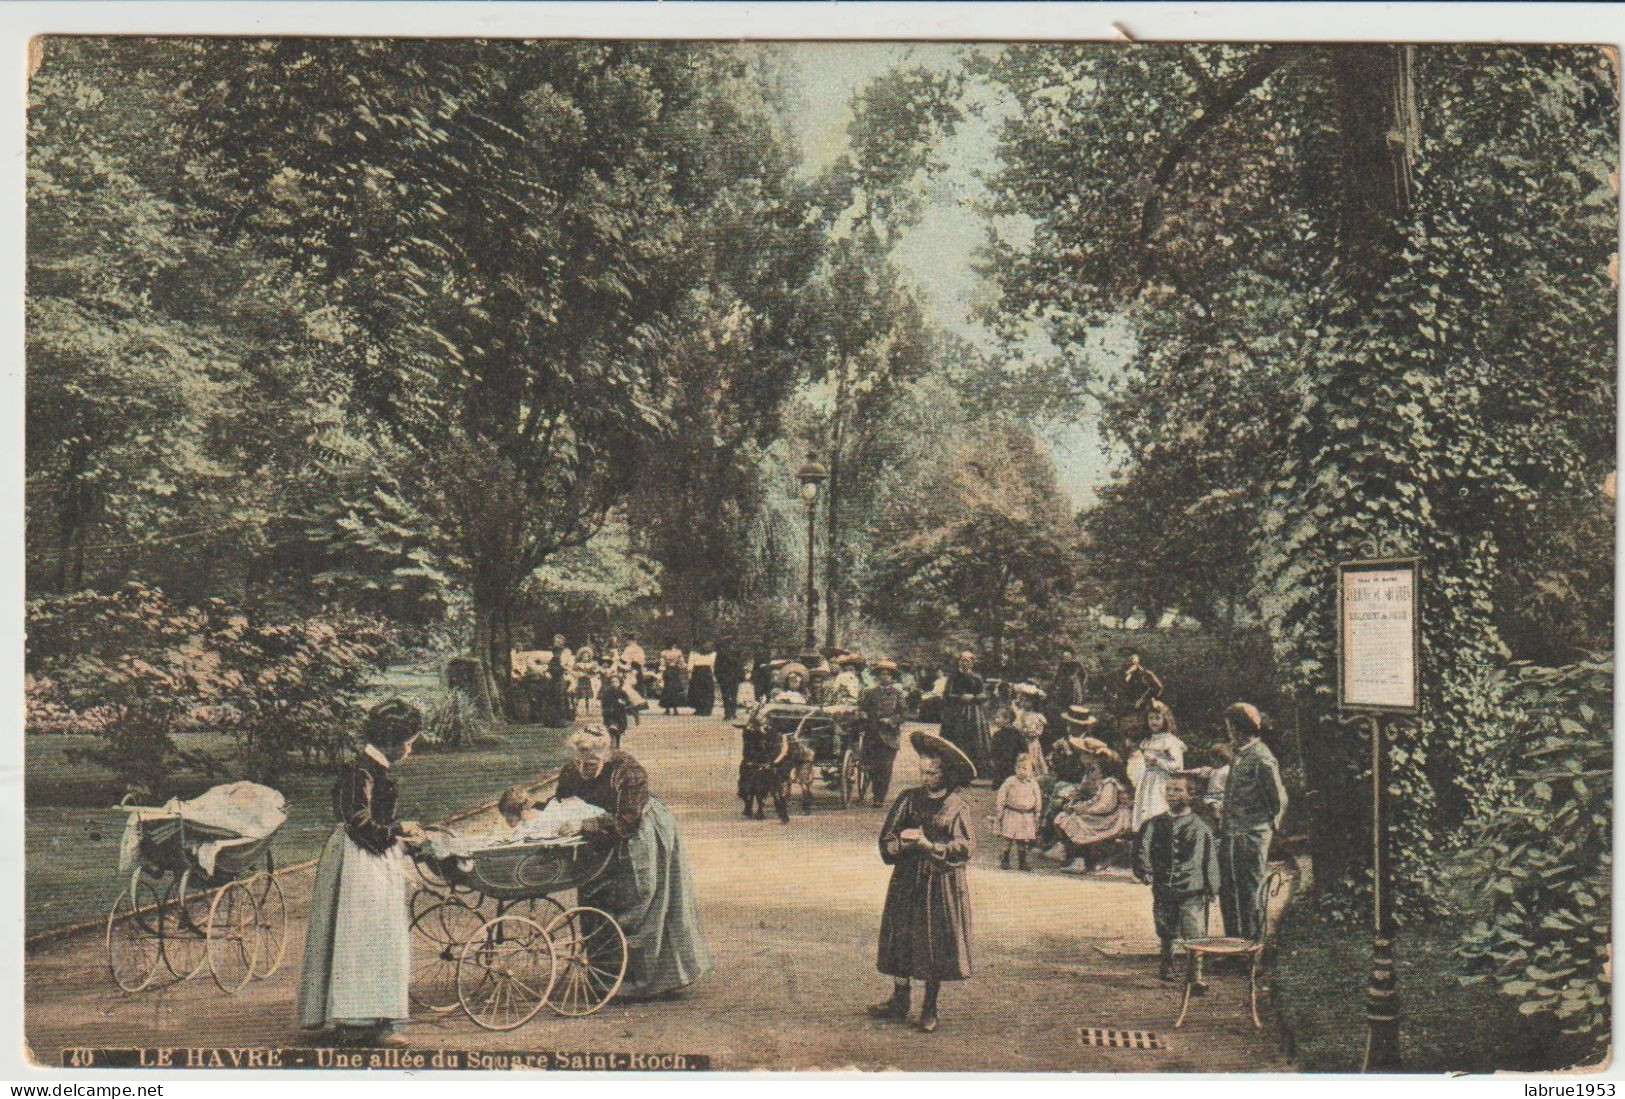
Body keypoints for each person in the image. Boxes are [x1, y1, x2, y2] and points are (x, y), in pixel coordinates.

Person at [298, 700, 427, 1046]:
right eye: (410, 741)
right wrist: (398, 831)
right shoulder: (361, 771)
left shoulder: (371, 766)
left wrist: (397, 834)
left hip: (370, 854)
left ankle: (372, 1016)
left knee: (377, 933)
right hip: (359, 858)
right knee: (362, 934)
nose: (411, 748)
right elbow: (359, 822)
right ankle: (355, 1020)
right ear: (395, 741)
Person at [552, 729, 713, 998]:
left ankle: (650, 982)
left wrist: (585, 824)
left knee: (640, 900)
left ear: (607, 753)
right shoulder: (570, 772)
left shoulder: (628, 771)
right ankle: (607, 976)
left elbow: (627, 819)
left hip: (639, 835)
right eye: (581, 757)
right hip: (598, 838)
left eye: (593, 758)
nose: (586, 764)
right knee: (595, 898)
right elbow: (560, 803)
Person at [869, 731, 975, 1033]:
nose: (926, 778)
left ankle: (930, 1007)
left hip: (939, 884)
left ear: (946, 774)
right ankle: (899, 1000)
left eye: (933, 773)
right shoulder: (908, 799)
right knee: (899, 937)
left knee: (933, 943)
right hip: (906, 881)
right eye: (923, 772)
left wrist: (931, 847)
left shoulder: (957, 807)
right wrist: (902, 844)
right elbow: (887, 839)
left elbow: (965, 847)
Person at [1135, 777, 1220, 986]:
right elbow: (1142, 847)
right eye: (1169, 789)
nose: (1171, 794)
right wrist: (1145, 870)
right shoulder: (1153, 823)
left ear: (1190, 795)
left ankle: (1195, 977)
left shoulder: (1201, 826)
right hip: (1164, 886)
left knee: (1195, 931)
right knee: (1166, 928)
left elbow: (1209, 858)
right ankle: (1167, 965)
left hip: (1193, 888)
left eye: (1178, 790)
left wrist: (1212, 886)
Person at [1218, 702, 1287, 940]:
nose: (1228, 733)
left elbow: (1279, 799)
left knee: (1250, 891)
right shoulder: (1241, 754)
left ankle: (1252, 950)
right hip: (1231, 832)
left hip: (1251, 835)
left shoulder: (1261, 757)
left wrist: (1267, 830)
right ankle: (1233, 946)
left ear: (1240, 729)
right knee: (1228, 890)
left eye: (1230, 728)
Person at [1054, 743, 1134, 873]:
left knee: (1077, 821)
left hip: (1116, 818)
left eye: (1096, 769)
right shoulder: (1103, 783)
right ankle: (1078, 858)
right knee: (1071, 818)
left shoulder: (1110, 784)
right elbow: (1095, 801)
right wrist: (1078, 807)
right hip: (1108, 815)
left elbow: (1105, 806)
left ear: (1105, 768)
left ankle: (1081, 860)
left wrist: (1084, 810)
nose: (1093, 772)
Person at [857, 659, 908, 807]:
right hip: (872, 735)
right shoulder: (871, 693)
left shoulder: (897, 694)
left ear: (892, 677)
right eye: (882, 674)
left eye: (888, 674)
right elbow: (863, 709)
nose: (885, 676)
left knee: (885, 768)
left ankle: (879, 797)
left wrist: (891, 720)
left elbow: (904, 714)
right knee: (872, 767)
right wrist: (863, 715)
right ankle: (874, 792)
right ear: (878, 676)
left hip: (889, 737)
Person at [1130, 700, 1186, 832]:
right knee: (1145, 812)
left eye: (1157, 718)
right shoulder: (1147, 741)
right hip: (1147, 781)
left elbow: (1177, 766)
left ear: (1165, 719)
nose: (1153, 722)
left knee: (1158, 810)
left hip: (1162, 781)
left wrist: (1158, 762)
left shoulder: (1170, 741)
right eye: (1150, 718)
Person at [939, 651, 991, 782]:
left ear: (972, 663)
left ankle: (975, 770)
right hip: (956, 712)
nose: (965, 663)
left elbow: (984, 695)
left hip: (974, 713)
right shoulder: (953, 677)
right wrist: (960, 697)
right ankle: (954, 771)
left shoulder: (977, 677)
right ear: (959, 662)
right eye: (962, 660)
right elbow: (946, 695)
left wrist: (973, 697)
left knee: (975, 740)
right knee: (955, 739)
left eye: (968, 661)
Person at [994, 754, 1043, 871]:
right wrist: (999, 810)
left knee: (1022, 839)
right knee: (1008, 838)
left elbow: (1038, 798)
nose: (1021, 771)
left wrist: (1037, 811)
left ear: (1032, 770)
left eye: (1025, 768)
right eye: (1019, 768)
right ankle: (1005, 859)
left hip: (1026, 815)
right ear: (1015, 768)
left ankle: (1022, 862)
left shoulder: (1033, 783)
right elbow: (1001, 795)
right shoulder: (1010, 781)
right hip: (1011, 813)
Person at [1046, 648, 1088, 742]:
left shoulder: (1076, 664)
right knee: (1065, 703)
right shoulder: (1062, 665)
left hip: (1074, 685)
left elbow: (1084, 675)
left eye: (1068, 656)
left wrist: (1080, 683)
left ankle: (1075, 722)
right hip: (1065, 686)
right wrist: (1054, 685)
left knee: (1075, 702)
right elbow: (1057, 676)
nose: (1066, 658)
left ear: (1071, 656)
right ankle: (1066, 722)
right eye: (1064, 657)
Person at [1113, 647, 1164, 722]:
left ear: (1137, 659)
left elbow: (1158, 688)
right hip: (1125, 711)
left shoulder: (1146, 674)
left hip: (1144, 709)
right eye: (1125, 657)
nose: (1128, 660)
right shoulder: (1119, 675)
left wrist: (1143, 700)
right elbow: (1116, 690)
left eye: (1131, 657)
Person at [1011, 684, 1048, 779]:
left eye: (1027, 701)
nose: (1024, 703)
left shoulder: (1036, 716)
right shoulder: (1020, 713)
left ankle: (1032, 775)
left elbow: (1035, 732)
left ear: (1034, 702)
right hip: (1021, 742)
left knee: (1032, 758)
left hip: (1031, 743)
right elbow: (1015, 725)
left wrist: (1024, 730)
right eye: (1022, 700)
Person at [599, 673, 633, 749]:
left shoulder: (622, 692)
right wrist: (606, 710)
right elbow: (603, 703)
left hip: (620, 713)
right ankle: (612, 741)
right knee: (612, 728)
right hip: (610, 714)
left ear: (620, 682)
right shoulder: (607, 692)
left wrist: (624, 702)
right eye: (612, 682)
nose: (614, 684)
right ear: (609, 683)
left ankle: (617, 744)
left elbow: (628, 701)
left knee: (619, 730)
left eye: (616, 682)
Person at [716, 639, 746, 721]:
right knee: (731, 695)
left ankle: (730, 713)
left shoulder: (734, 653)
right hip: (728, 677)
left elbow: (740, 666)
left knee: (730, 695)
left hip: (730, 677)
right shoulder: (723, 654)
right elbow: (718, 666)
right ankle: (730, 713)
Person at [687, 642, 717, 717]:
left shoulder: (694, 653)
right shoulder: (713, 654)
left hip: (698, 672)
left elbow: (690, 666)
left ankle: (699, 709)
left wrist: (690, 675)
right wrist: (713, 676)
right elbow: (713, 665)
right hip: (707, 672)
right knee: (707, 691)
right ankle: (707, 709)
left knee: (698, 691)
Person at [659, 642, 687, 716]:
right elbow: (682, 663)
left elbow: (662, 664)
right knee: (675, 689)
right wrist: (680, 666)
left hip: (668, 671)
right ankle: (675, 709)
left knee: (667, 689)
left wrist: (661, 674)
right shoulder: (678, 652)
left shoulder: (664, 652)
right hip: (675, 671)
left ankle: (667, 709)